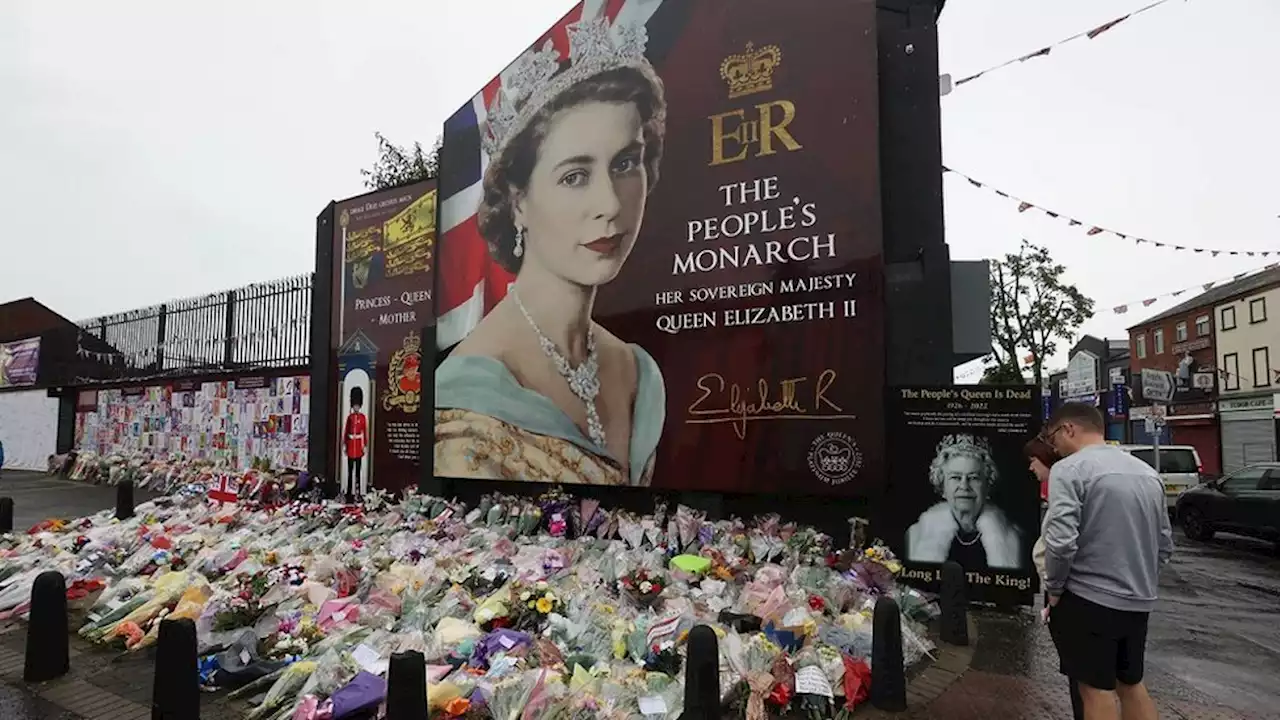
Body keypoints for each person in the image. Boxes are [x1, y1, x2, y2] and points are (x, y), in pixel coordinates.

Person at [435, 14, 667, 486]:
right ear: (518, 201)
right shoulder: (467, 402)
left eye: (626, 163)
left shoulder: (637, 370)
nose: (609, 204)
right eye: (574, 176)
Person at [1042, 402, 1173, 720]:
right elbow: (1165, 543)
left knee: (1094, 689)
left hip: (1088, 598)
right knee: (1130, 683)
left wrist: (1055, 588)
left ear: (1069, 429)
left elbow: (1060, 542)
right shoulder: (1146, 472)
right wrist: (1141, 578)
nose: (1054, 447)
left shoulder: (1070, 469)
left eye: (1052, 438)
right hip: (1138, 600)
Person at [1025, 436, 1082, 720]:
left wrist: (1054, 589)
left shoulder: (1063, 481)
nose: (1031, 469)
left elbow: (1060, 543)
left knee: (1084, 679)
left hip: (1068, 592)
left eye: (1032, 461)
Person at [906, 434, 1023, 570]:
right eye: (955, 477)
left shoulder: (1015, 539)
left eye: (974, 478)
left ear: (987, 485)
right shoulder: (915, 535)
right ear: (942, 486)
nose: (964, 486)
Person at [343, 386, 367, 502]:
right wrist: (344, 444)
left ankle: (357, 491)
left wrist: (365, 445)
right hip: (350, 446)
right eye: (355, 405)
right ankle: (349, 492)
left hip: (358, 447)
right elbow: (346, 431)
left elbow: (365, 432)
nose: (356, 407)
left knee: (358, 471)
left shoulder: (362, 417)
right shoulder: (350, 417)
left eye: (357, 405)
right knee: (350, 471)